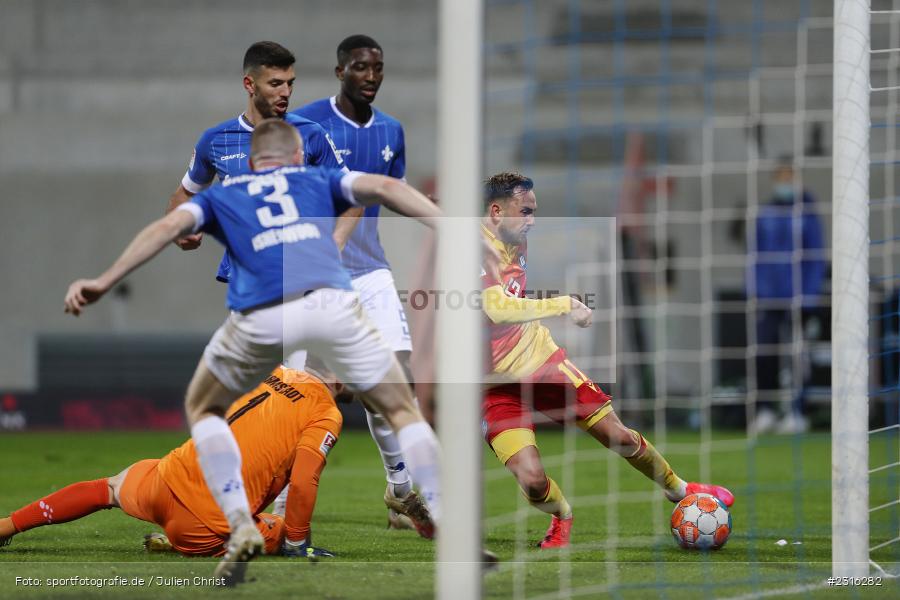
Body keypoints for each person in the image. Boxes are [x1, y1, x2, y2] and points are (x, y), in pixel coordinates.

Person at [62, 120, 444, 584]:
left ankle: (240, 521)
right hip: (332, 304)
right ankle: (438, 509)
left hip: (265, 312)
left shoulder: (226, 195)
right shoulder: (315, 179)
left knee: (204, 407)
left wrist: (103, 280)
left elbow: (166, 228)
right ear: (298, 155)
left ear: (249, 161)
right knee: (400, 406)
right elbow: (381, 187)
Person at [480, 172, 734, 549]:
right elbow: (495, 308)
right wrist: (563, 304)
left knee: (619, 436)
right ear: (497, 211)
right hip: (494, 385)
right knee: (532, 481)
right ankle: (562, 516)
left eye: (534, 212)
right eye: (526, 211)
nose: (532, 220)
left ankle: (679, 489)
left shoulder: (513, 238)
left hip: (542, 363)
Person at [0, 364, 342, 562]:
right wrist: (297, 543)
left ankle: (8, 525)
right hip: (206, 525)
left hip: (166, 479)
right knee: (280, 529)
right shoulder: (326, 412)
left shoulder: (272, 371)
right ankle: (182, 541)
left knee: (109, 487)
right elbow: (303, 480)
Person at [293, 35, 424, 532]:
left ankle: (400, 488)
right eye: (361, 68)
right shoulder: (306, 124)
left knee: (391, 383)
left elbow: (394, 194)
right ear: (340, 70)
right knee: (300, 394)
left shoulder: (392, 130)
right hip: (309, 275)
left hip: (371, 270)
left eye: (378, 68)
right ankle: (280, 507)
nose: (371, 77)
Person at [749, 158, 827, 434]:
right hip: (769, 295)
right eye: (780, 177)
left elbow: (817, 255)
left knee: (798, 356)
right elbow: (755, 254)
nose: (785, 182)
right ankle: (766, 410)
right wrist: (755, 290)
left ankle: (798, 412)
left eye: (789, 177)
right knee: (765, 354)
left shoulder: (807, 212)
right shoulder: (766, 212)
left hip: (799, 296)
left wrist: (810, 296)